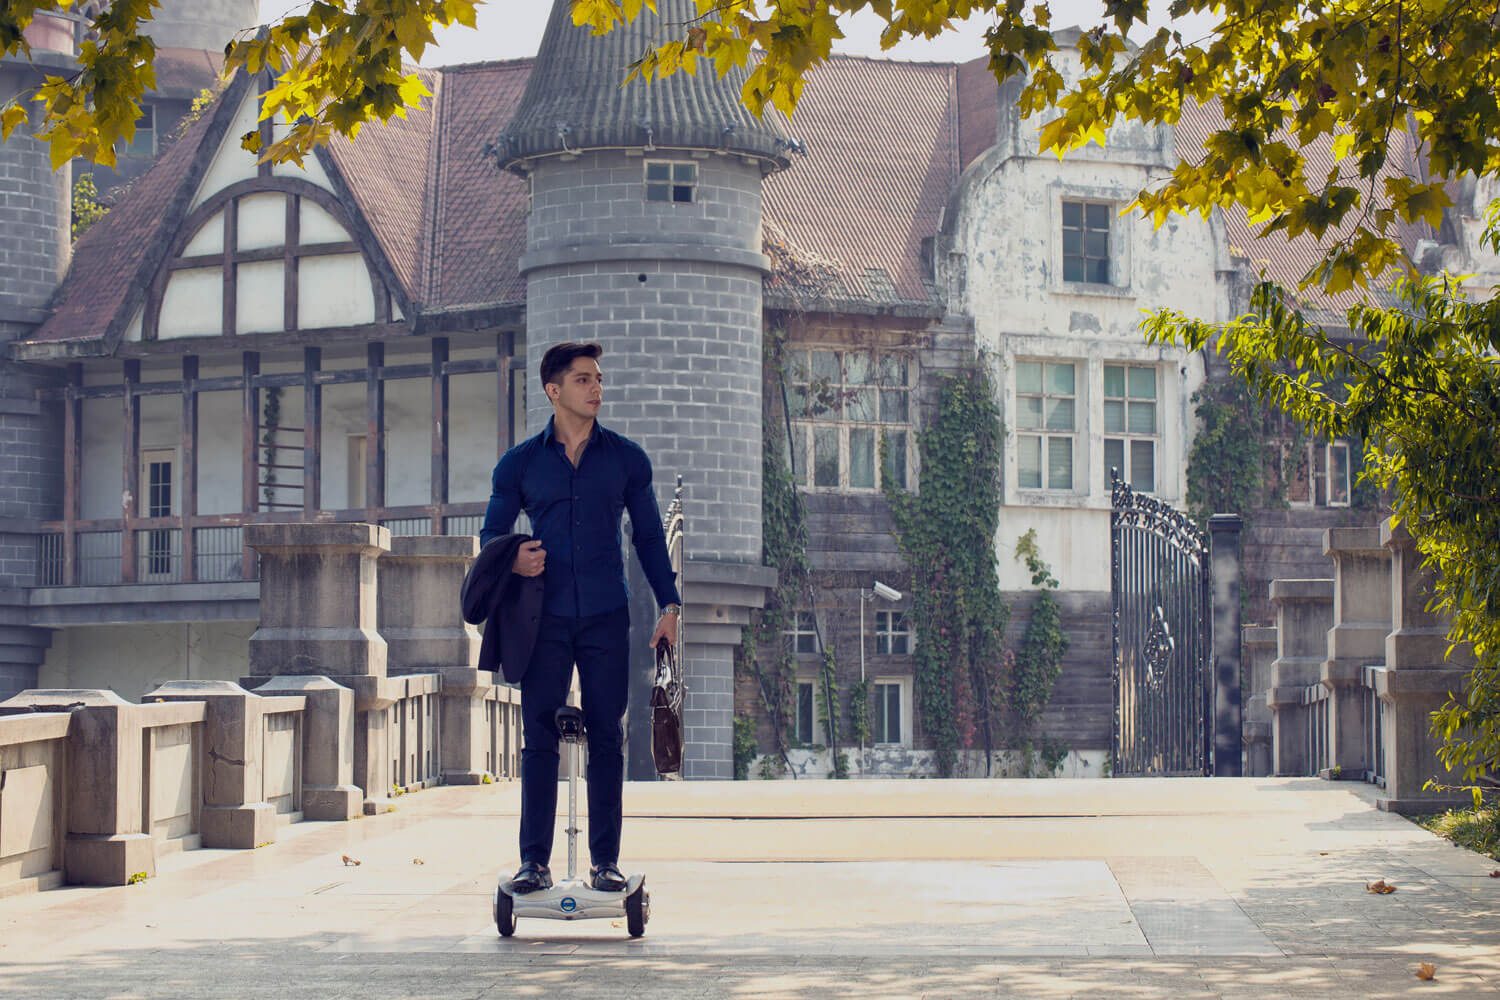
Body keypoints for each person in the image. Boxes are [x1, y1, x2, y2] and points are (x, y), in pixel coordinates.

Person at [480, 341, 681, 894]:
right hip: (541, 621)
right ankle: (533, 863)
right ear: (554, 390)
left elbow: (648, 539)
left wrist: (669, 607)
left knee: (607, 737)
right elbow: (492, 534)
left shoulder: (626, 459)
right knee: (539, 738)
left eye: (598, 379)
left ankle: (605, 863)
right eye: (583, 379)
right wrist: (513, 559)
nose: (596, 388)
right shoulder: (520, 463)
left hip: (605, 617)